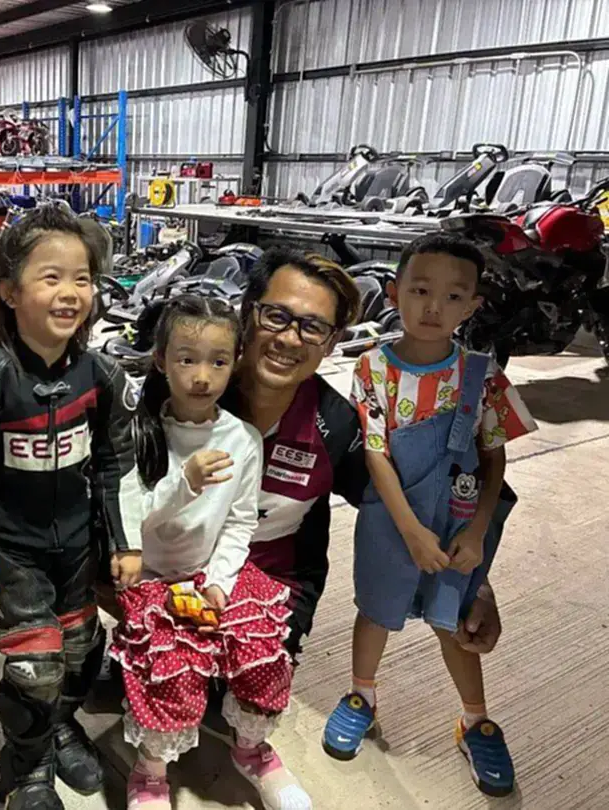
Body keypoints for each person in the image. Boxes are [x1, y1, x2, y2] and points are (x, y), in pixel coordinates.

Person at [219, 246, 509, 792]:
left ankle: (473, 719)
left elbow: (468, 476)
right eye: (276, 315)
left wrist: (479, 580)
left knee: (243, 698)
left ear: (332, 342)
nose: (289, 338)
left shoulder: (335, 424)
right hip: (182, 571)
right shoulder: (189, 391)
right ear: (247, 311)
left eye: (312, 327)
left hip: (273, 583)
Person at [0, 205, 144, 810]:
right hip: (13, 549)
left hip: (77, 548)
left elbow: (117, 463)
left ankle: (59, 728)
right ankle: (25, 771)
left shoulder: (103, 375)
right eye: (50, 278)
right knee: (35, 667)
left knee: (81, 652)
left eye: (82, 279)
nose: (70, 293)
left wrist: (126, 542)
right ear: (9, 290)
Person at [322, 234, 535, 796]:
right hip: (390, 518)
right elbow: (375, 453)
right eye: (420, 290)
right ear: (394, 293)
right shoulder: (372, 367)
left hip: (459, 521)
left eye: (453, 296)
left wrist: (478, 529)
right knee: (375, 609)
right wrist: (411, 530)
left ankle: (475, 720)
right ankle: (361, 696)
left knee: (454, 619)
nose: (434, 307)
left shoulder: (481, 374)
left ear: (473, 305)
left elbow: (494, 457)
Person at [110, 294, 310, 810]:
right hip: (150, 575)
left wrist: (219, 581)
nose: (202, 376)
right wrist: (186, 483)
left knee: (262, 646)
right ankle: (151, 772)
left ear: (235, 362)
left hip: (212, 573)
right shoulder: (137, 431)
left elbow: (240, 521)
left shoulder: (242, 438)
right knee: (170, 663)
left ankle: (252, 750)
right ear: (161, 360)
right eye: (187, 359)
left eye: (218, 362)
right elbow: (131, 519)